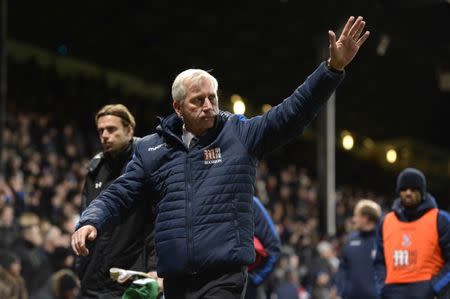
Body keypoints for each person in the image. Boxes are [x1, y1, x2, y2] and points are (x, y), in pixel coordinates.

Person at [72, 16, 370, 299]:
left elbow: (292, 112)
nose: (208, 105)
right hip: (175, 278)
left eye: (212, 97)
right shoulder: (152, 149)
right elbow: (121, 192)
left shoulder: (240, 135)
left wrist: (331, 70)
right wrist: (91, 220)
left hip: (223, 276)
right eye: (197, 100)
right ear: (178, 108)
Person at [76, 104, 157, 299]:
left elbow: (156, 223)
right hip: (93, 280)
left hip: (131, 278)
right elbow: (86, 219)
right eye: (101, 130)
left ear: (129, 130)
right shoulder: (95, 170)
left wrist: (154, 268)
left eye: (111, 129)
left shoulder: (147, 164)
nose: (104, 135)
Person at [374, 168, 450, 299]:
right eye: (403, 189)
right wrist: (383, 287)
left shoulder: (440, 219)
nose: (408, 193)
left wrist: (435, 288)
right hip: (393, 292)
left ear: (422, 192)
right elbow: (379, 262)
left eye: (413, 189)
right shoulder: (386, 221)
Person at [336, 199, 381, 299]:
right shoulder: (350, 240)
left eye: (356, 216)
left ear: (365, 218)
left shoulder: (383, 241)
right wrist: (340, 292)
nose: (353, 219)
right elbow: (342, 269)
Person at [245, 196, 281, 299]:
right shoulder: (200, 197)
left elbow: (274, 248)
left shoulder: (251, 202)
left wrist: (253, 280)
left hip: (246, 289)